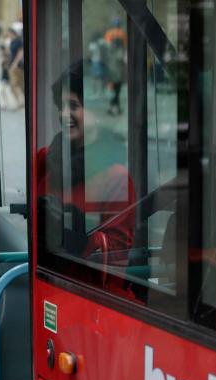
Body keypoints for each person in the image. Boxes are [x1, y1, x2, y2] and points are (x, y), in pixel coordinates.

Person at [36, 63, 136, 296]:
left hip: (89, 298)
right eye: (60, 106)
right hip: (46, 286)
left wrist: (75, 235)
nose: (63, 114)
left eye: (73, 106)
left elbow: (117, 255)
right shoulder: (44, 159)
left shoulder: (116, 176)